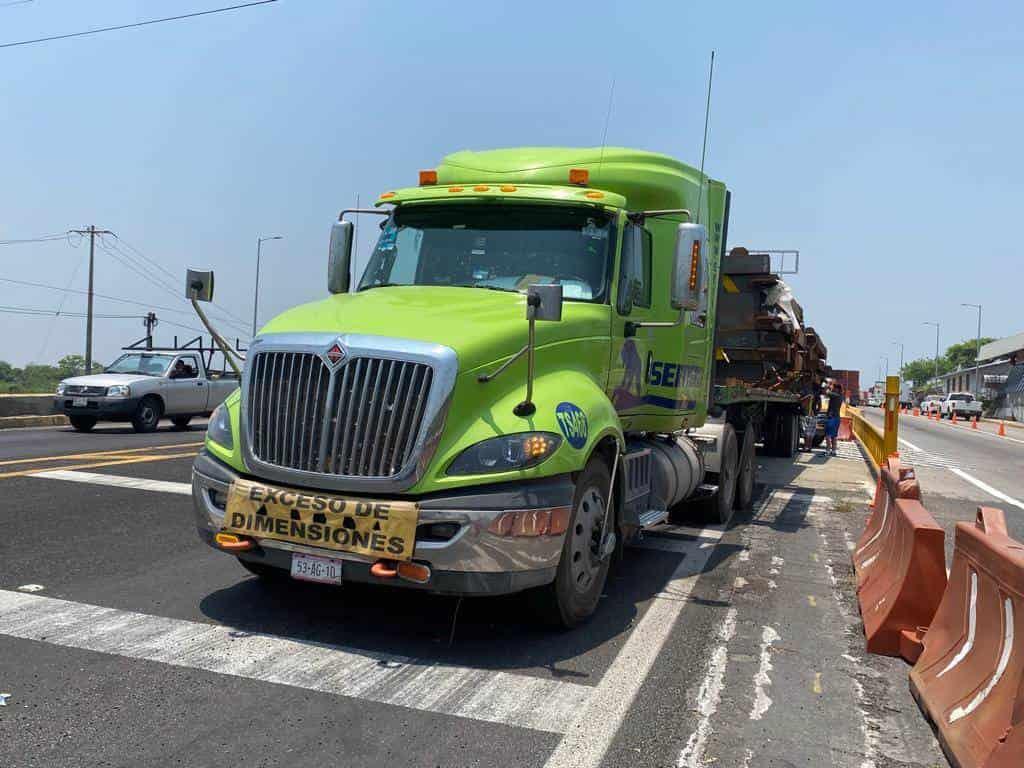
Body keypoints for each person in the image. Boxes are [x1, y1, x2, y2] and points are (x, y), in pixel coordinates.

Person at [825, 382, 844, 456]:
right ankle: (833, 451)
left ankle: (827, 450)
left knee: (827, 435)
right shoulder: (840, 396)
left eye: (833, 387)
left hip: (832, 418)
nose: (832, 388)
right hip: (837, 418)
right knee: (834, 436)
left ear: (837, 389)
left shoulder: (835, 395)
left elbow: (826, 392)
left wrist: (826, 385)